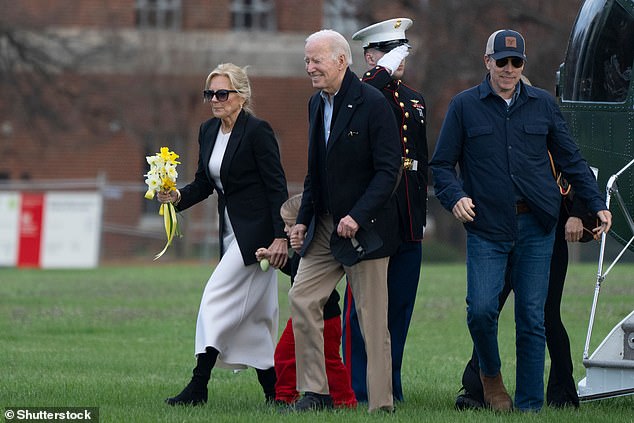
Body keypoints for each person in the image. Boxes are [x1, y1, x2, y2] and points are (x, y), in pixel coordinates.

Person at [430, 29, 612, 412]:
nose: (509, 69)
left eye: (516, 62)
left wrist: (596, 204)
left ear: (523, 65)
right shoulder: (464, 106)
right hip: (487, 228)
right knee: (481, 311)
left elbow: (572, 160)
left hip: (537, 227)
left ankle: (530, 408)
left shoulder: (543, 105)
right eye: (502, 61)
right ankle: (490, 378)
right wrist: (456, 196)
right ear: (487, 62)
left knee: (532, 319)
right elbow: (442, 166)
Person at [158, 63, 289, 406]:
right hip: (230, 231)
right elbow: (205, 182)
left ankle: (198, 385)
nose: (214, 100)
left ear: (241, 97)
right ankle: (274, 394)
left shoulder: (258, 131)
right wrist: (177, 197)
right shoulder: (207, 131)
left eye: (221, 93)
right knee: (255, 319)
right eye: (210, 94)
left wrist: (280, 238)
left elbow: (277, 188)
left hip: (257, 237)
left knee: (214, 297)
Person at [287, 29, 402, 413]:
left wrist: (358, 215)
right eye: (307, 61)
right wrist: (303, 220)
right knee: (301, 297)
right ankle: (317, 394)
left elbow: (389, 172)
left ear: (341, 61)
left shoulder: (374, 104)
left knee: (371, 321)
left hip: (365, 230)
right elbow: (314, 171)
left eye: (316, 60)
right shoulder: (315, 104)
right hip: (323, 227)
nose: (309, 68)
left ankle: (381, 405)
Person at [342, 17, 428, 403]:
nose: (400, 60)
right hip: (374, 214)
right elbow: (358, 99)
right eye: (391, 52)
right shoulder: (361, 92)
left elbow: (420, 161)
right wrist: (381, 70)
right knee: (363, 311)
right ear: (371, 57)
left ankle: (390, 385)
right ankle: (357, 387)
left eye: (402, 51)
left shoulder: (414, 99)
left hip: (407, 212)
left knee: (400, 310)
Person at [255, 194, 357, 408]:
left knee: (324, 360)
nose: (285, 230)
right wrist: (273, 259)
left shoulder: (317, 253)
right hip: (306, 315)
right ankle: (286, 397)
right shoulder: (303, 254)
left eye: (289, 225)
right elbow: (294, 271)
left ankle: (343, 400)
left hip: (325, 317)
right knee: (289, 355)